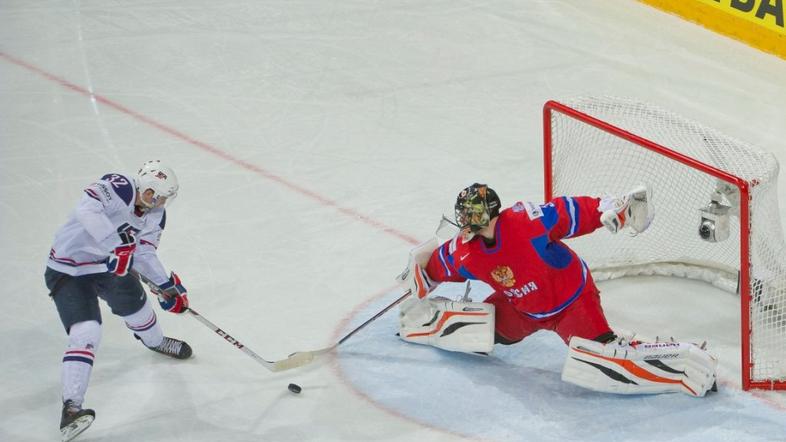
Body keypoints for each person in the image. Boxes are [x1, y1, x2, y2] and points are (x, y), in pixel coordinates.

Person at [397, 183, 718, 397]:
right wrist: (421, 274)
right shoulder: (466, 251)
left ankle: (679, 360)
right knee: (476, 329)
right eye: (462, 215)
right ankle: (428, 321)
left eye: (468, 214)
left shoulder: (523, 222)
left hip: (571, 302)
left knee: (603, 361)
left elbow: (567, 212)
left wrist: (608, 209)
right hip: (521, 309)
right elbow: (440, 263)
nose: (464, 221)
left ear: (484, 213)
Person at [46, 160, 192, 442]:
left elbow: (144, 253)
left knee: (139, 309)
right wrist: (115, 245)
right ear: (146, 188)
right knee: (87, 332)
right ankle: (71, 408)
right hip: (69, 269)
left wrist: (166, 287)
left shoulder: (156, 214)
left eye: (165, 198)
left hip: (108, 266)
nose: (161, 202)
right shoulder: (120, 186)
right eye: (158, 195)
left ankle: (155, 342)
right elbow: (87, 210)